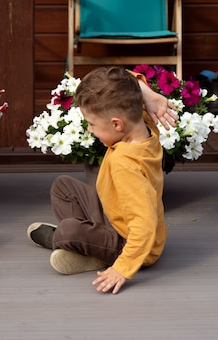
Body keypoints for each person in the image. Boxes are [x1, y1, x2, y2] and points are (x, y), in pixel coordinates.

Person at [27, 66, 171, 294]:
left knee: (67, 231)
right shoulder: (144, 124)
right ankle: (88, 243)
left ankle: (92, 253)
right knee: (63, 187)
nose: (89, 129)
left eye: (92, 124)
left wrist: (122, 269)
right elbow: (123, 78)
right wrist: (150, 96)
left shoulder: (126, 164)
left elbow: (144, 226)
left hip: (129, 240)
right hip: (113, 213)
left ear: (116, 124)